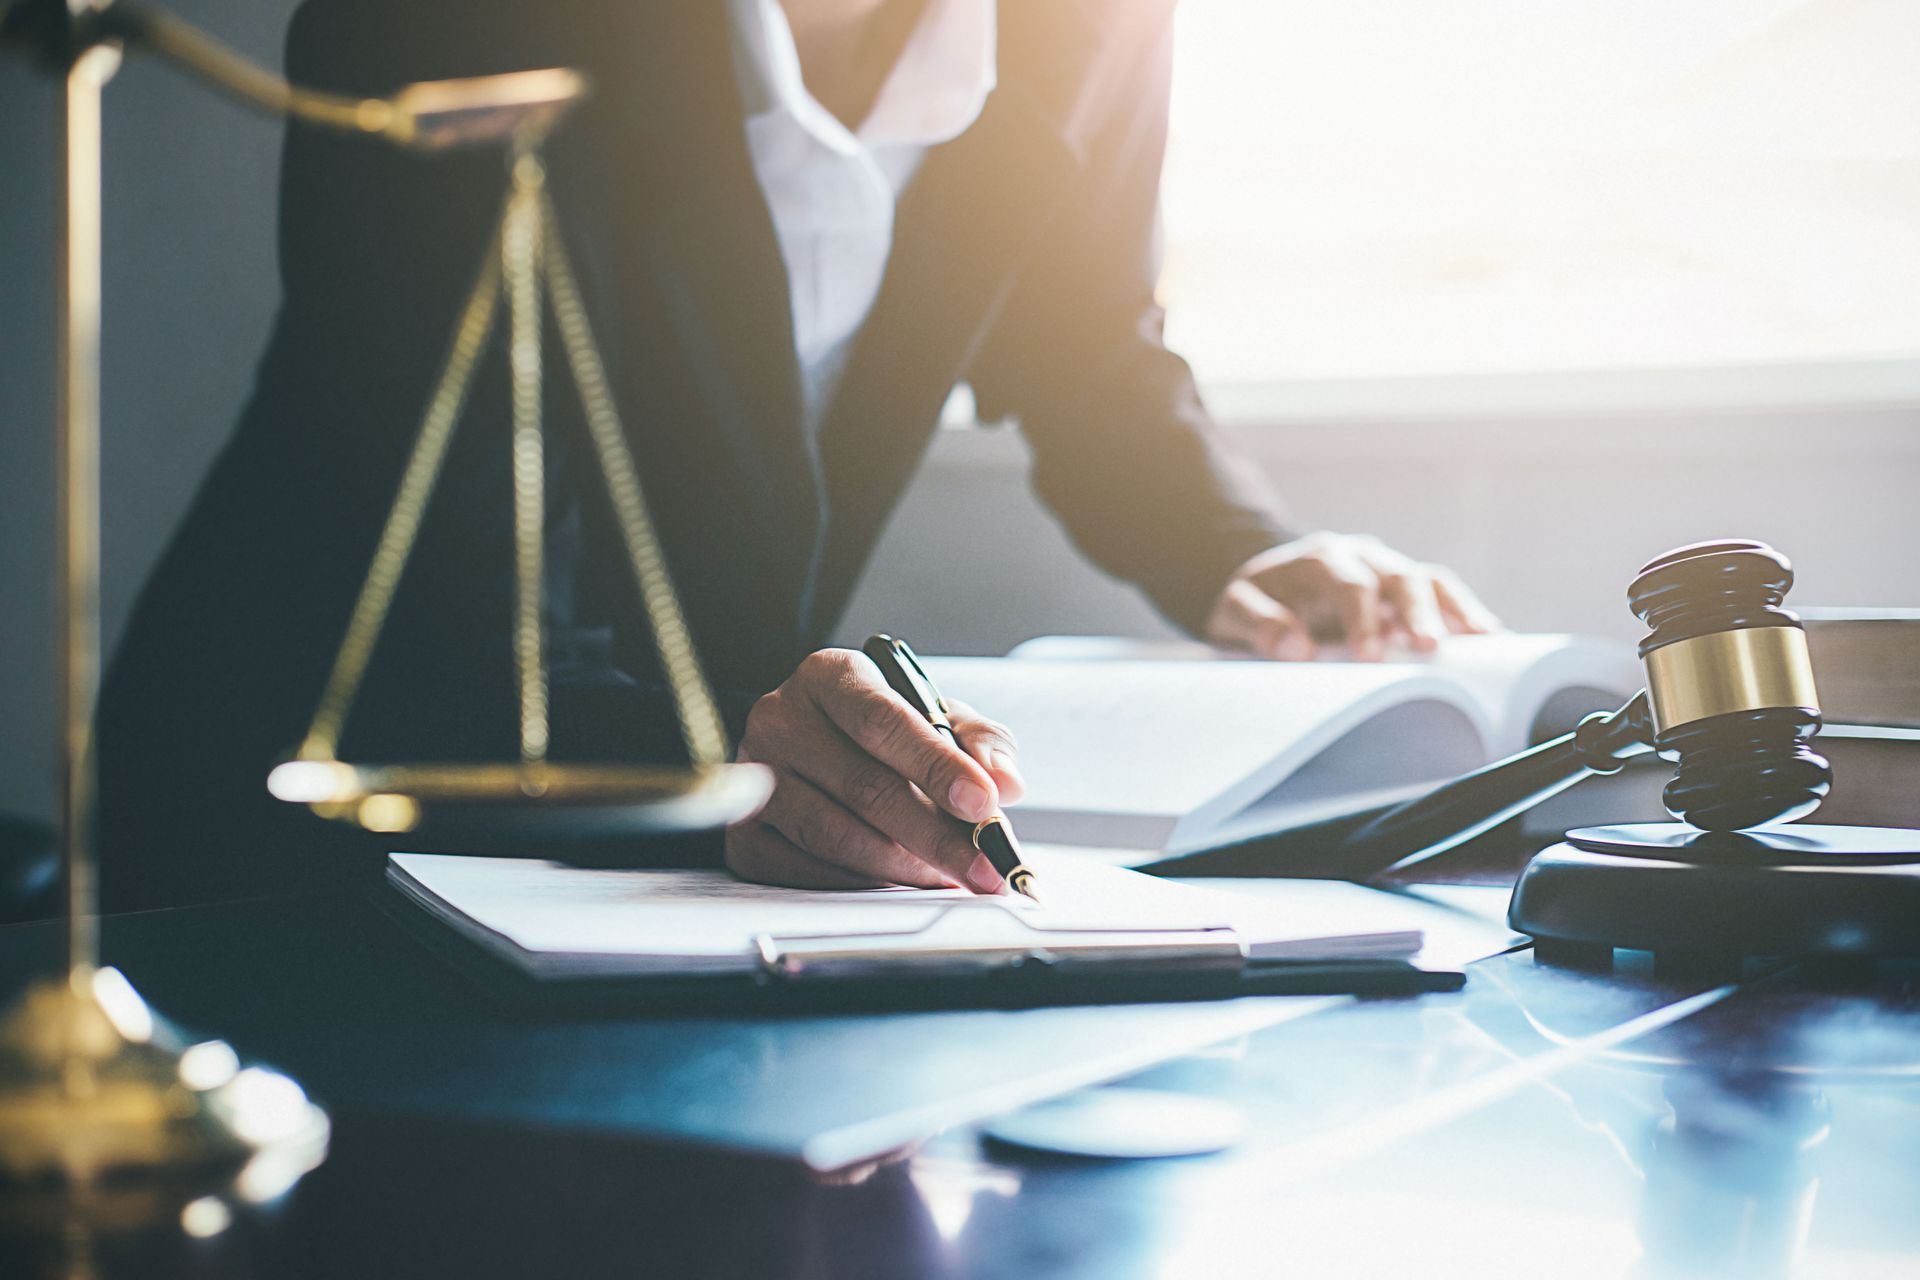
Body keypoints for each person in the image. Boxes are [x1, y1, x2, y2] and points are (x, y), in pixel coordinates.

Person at [97, 0, 1499, 910]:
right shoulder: (456, 15)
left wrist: (1237, 544)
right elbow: (449, 586)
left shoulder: (1096, 18)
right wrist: (728, 743)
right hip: (320, 814)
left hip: (702, 855)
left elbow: (1082, 344)